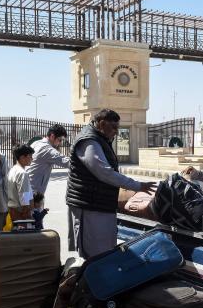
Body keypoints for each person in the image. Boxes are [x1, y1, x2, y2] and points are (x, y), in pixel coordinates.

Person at [66, 109, 155, 259]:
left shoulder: (100, 139)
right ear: (101, 124)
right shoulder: (89, 141)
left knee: (104, 251)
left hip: (100, 205)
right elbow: (104, 172)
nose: (116, 132)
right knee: (92, 254)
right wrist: (137, 186)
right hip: (88, 205)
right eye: (113, 127)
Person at [26, 124, 73, 246]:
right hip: (33, 193)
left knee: (30, 222)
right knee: (33, 223)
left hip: (28, 191)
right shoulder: (47, 149)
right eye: (59, 140)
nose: (59, 143)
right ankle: (33, 251)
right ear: (52, 136)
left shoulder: (36, 143)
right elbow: (67, 162)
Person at [7, 144, 35, 222]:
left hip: (12, 210)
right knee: (23, 233)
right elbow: (24, 195)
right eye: (30, 156)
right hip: (20, 212)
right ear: (22, 157)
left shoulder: (13, 169)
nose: (32, 159)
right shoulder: (22, 173)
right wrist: (26, 213)